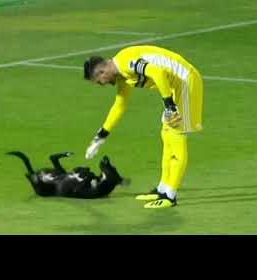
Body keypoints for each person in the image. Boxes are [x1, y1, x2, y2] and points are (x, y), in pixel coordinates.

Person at [83, 45, 203, 209]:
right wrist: (101, 137)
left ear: (102, 72)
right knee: (166, 134)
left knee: (176, 136)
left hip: (186, 83)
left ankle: (170, 195)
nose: (102, 84)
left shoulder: (126, 63)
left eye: (99, 82)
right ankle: (163, 190)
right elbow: (120, 106)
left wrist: (169, 106)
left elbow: (157, 72)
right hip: (177, 87)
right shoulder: (123, 75)